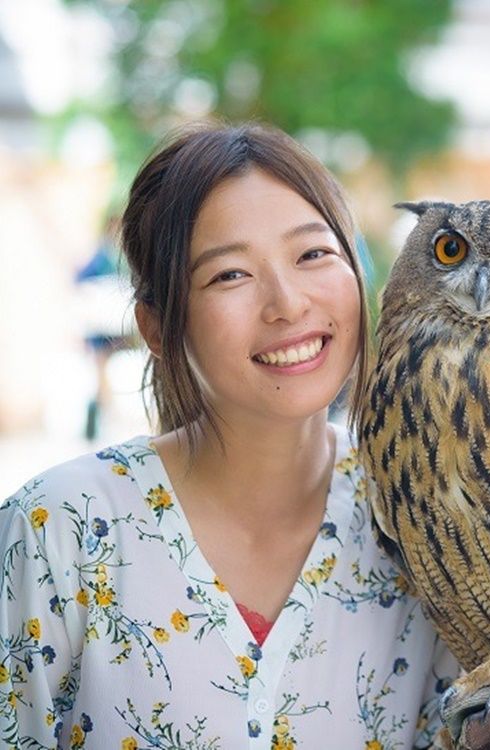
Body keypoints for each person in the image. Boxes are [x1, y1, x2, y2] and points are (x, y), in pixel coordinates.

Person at [0, 123, 457, 748]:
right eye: (230, 276)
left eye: (313, 254)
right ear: (156, 328)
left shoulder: (423, 522)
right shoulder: (61, 532)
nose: (288, 304)